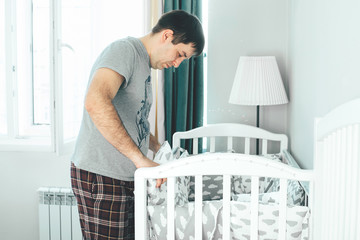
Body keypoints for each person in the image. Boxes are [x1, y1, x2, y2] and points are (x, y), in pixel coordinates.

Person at [70, 9, 205, 240]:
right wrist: (140, 159)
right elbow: (95, 101)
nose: (177, 64)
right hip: (102, 176)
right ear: (167, 35)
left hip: (126, 177)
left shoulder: (144, 65)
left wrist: (158, 148)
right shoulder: (125, 51)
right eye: (180, 54)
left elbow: (135, 121)